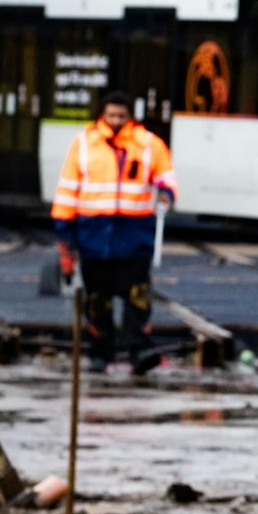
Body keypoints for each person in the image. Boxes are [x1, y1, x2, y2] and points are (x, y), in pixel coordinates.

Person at [51, 91, 176, 374]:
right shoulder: (84, 145)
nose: (116, 121)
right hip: (95, 236)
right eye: (111, 116)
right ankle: (101, 352)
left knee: (138, 297)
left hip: (134, 235)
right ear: (102, 115)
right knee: (97, 300)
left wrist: (167, 193)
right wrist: (64, 232)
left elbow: (166, 174)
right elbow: (68, 189)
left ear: (129, 116)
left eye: (121, 116)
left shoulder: (147, 144)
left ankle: (137, 350)